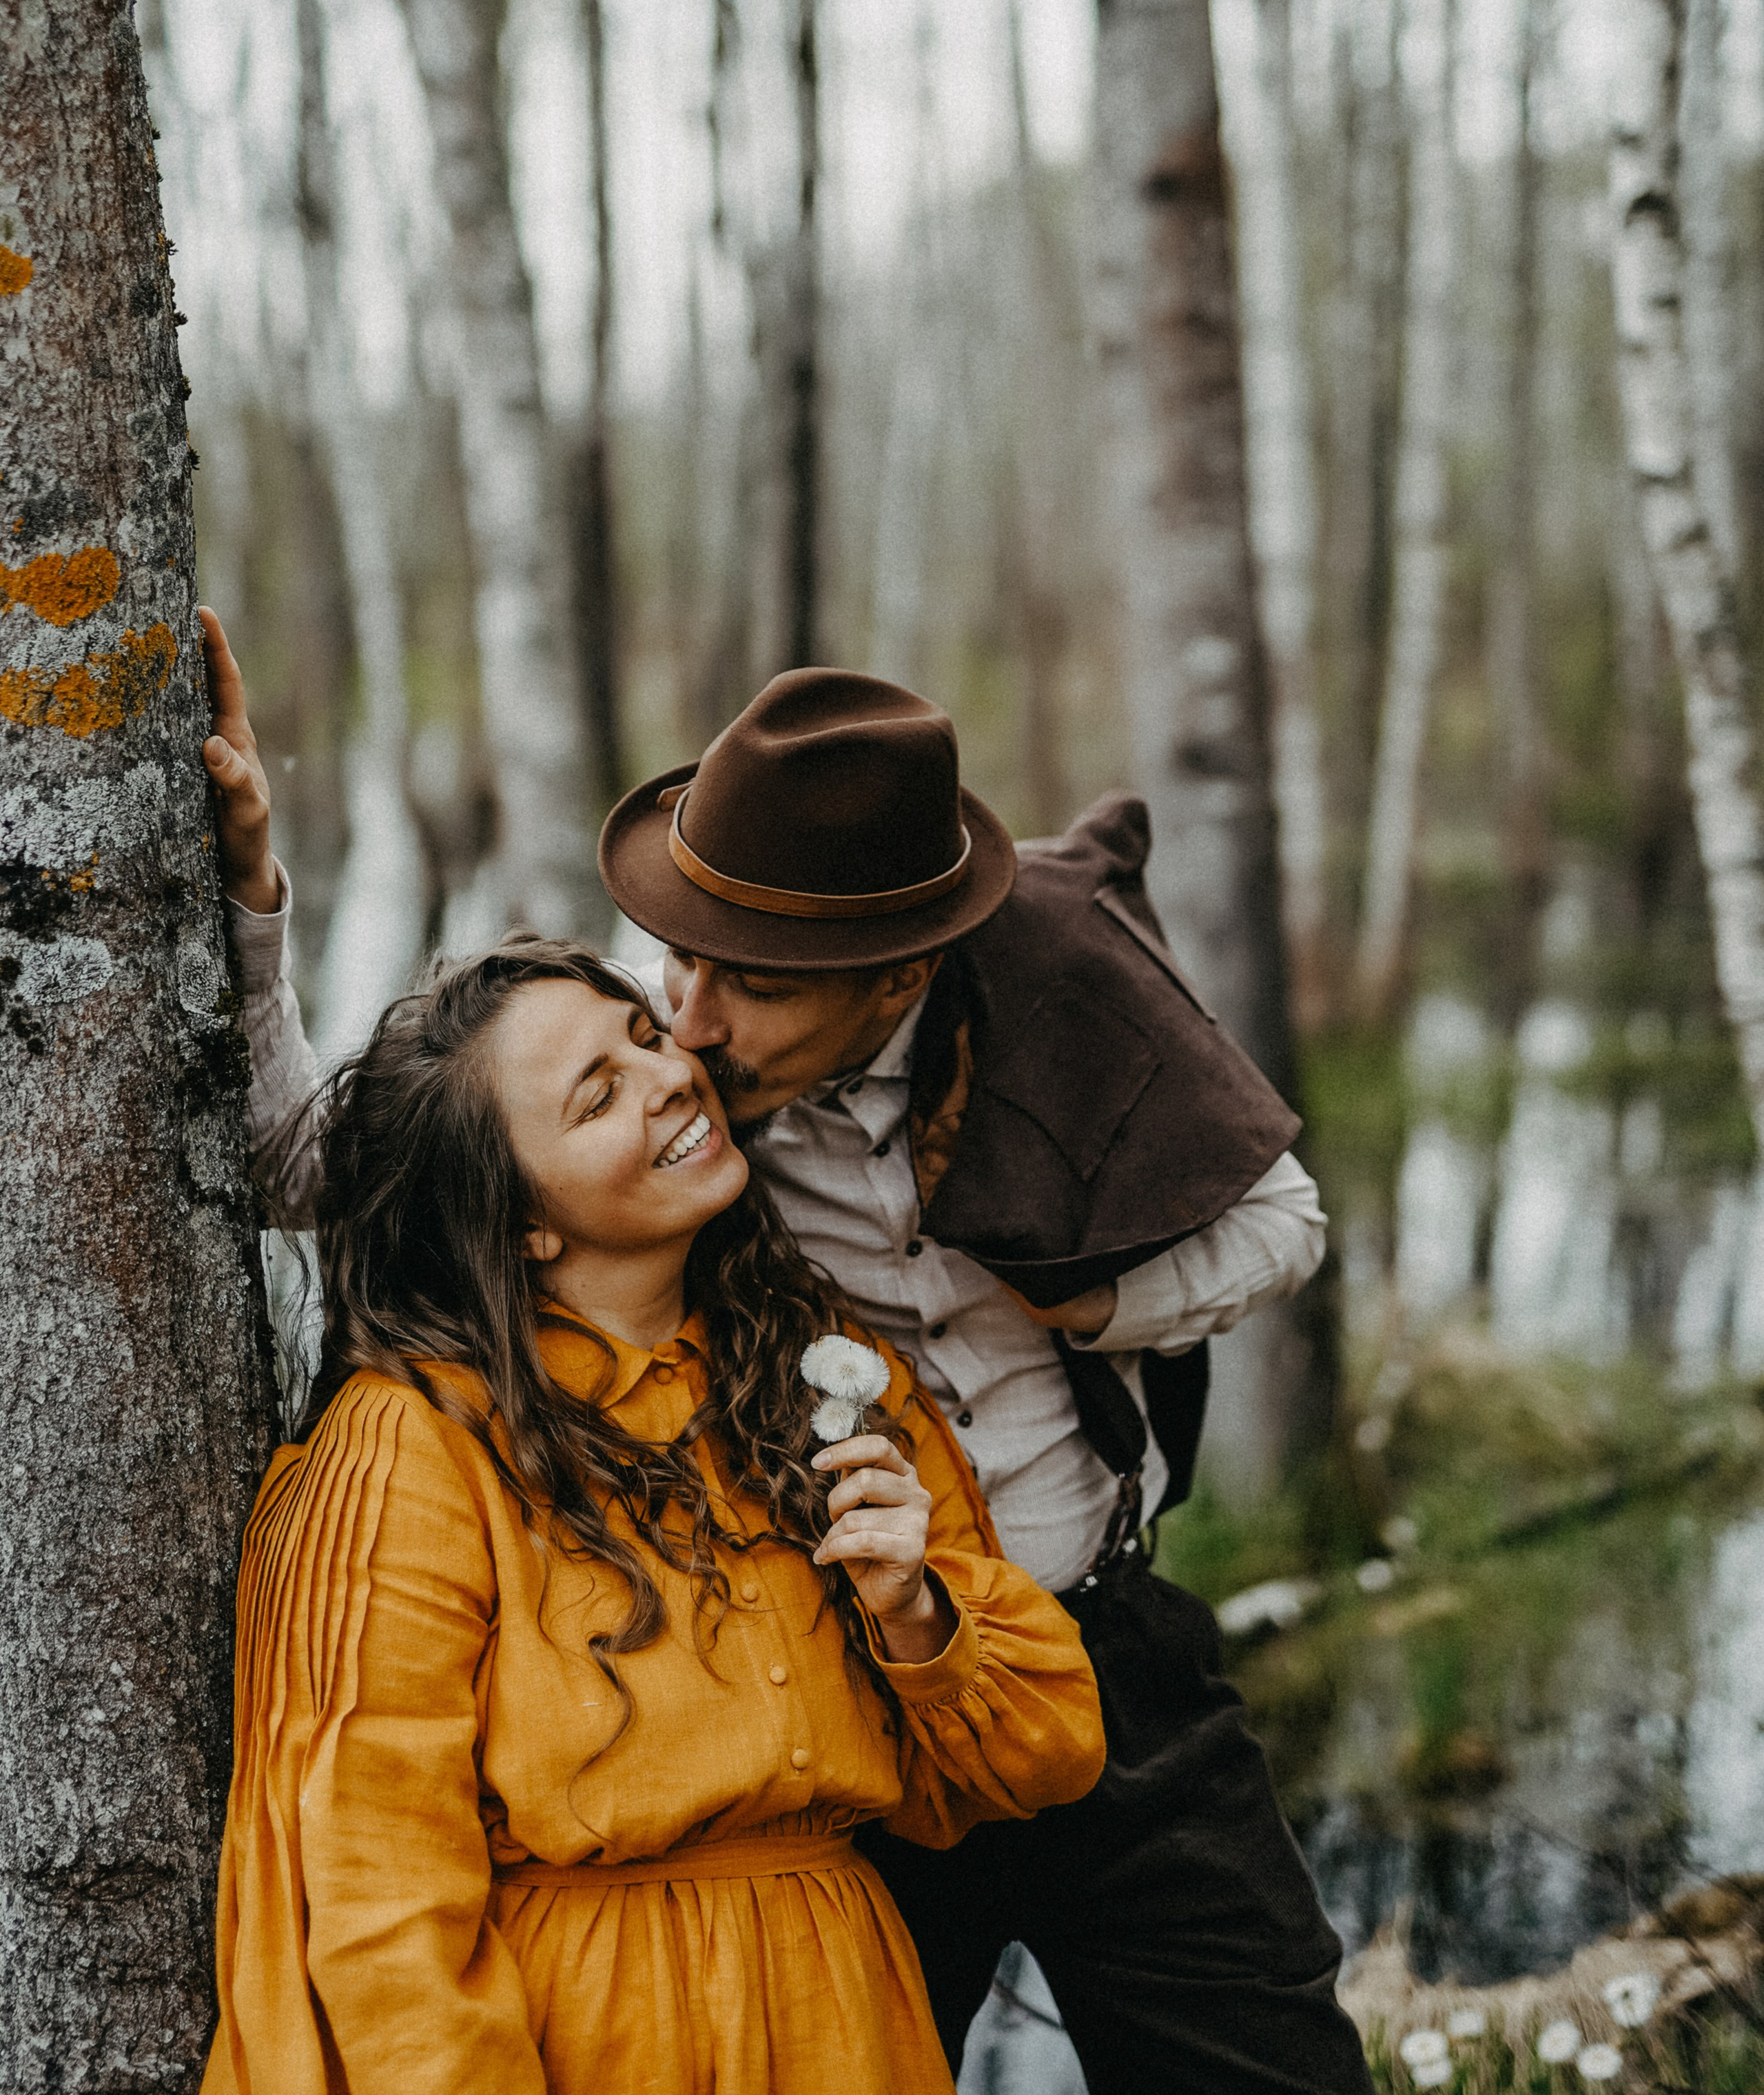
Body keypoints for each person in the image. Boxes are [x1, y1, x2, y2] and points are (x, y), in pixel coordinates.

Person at [201, 615, 1373, 2095]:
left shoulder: (1061, 991)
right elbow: (368, 1160)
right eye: (669, 978)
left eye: (742, 988)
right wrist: (247, 903)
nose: (686, 1030)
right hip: (830, 1721)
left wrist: (1082, 1298)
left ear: (894, 975)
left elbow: (1282, 1222)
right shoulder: (643, 1078)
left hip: (1069, 1647)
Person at [202, 932, 1105, 2095]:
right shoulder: (415, 1447)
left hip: (851, 2030)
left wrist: (916, 1614)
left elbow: (1046, 1757)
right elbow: (375, 1894)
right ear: (522, 1220)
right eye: (598, 1096)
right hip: (602, 2039)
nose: (672, 1075)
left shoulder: (813, 1371)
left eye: (643, 1036)